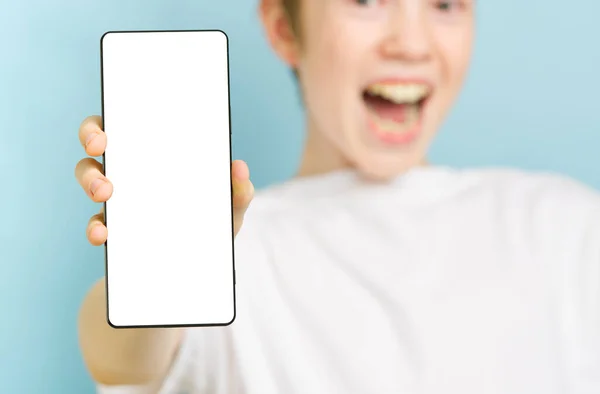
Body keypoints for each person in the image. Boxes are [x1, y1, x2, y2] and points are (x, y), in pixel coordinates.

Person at [74, 0, 600, 393]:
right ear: (284, 28)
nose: (412, 44)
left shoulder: (563, 228)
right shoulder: (227, 255)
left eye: (444, 4)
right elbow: (122, 359)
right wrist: (156, 251)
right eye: (367, 0)